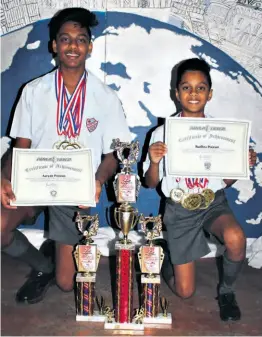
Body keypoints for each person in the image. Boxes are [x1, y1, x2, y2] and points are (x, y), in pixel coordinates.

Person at [1, 7, 131, 305]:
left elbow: (114, 153)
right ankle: (42, 265)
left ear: (90, 47)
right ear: (54, 45)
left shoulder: (105, 96)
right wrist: (3, 177)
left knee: (65, 283)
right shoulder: (33, 91)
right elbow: (21, 145)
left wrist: (98, 180)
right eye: (65, 39)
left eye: (80, 39)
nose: (73, 46)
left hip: (74, 189)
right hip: (33, 180)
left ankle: (55, 264)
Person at [143, 58, 257, 321]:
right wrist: (155, 161)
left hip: (212, 203)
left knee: (236, 238)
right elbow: (150, 182)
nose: (193, 93)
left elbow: (223, 182)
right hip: (179, 209)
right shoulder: (161, 133)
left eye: (200, 87)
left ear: (210, 93)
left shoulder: (221, 133)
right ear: (176, 93)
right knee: (184, 292)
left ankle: (226, 291)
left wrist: (242, 164)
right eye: (186, 87)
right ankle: (166, 255)